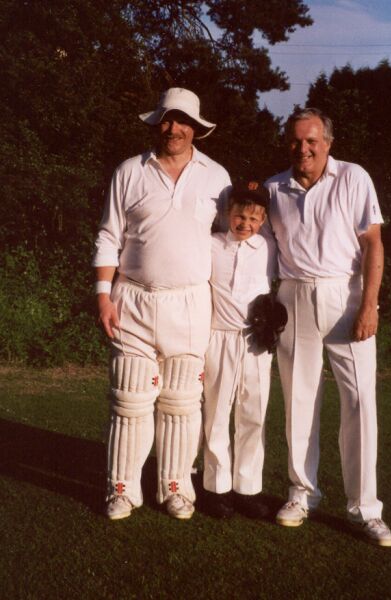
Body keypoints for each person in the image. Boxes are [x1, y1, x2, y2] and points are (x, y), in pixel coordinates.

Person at [93, 87, 231, 521]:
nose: (173, 128)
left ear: (195, 129)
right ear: (156, 123)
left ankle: (176, 488)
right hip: (132, 298)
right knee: (129, 400)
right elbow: (108, 236)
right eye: (166, 120)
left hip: (190, 304)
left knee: (182, 403)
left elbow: (231, 239)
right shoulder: (130, 171)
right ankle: (121, 488)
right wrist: (102, 295)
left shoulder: (216, 176)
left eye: (182, 120)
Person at [264, 107, 391, 547]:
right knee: (299, 401)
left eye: (312, 141)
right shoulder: (273, 188)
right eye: (296, 141)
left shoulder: (355, 177)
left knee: (359, 403)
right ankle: (302, 495)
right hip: (293, 296)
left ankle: (365, 509)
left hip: (347, 297)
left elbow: (373, 242)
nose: (303, 148)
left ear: (328, 143)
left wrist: (370, 305)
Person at [201, 182, 280, 519]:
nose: (244, 223)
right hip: (219, 337)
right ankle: (216, 489)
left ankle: (247, 487)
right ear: (227, 214)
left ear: (262, 220)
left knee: (253, 413)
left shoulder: (267, 247)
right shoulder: (212, 244)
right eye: (238, 216)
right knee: (217, 412)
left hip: (255, 341)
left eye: (252, 218)